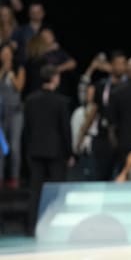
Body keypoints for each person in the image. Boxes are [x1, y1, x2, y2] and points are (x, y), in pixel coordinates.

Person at [22, 64, 73, 234]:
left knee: (35, 190)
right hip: (56, 152)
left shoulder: (30, 100)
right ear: (54, 79)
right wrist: (69, 153)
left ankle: (31, 228)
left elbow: (26, 129)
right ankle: (55, 227)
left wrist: (27, 150)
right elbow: (65, 130)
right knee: (57, 190)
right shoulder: (60, 102)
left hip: (35, 150)